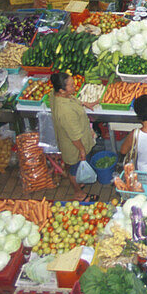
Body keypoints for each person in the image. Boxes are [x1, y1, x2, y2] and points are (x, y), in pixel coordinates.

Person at [50, 71, 98, 202]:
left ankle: (80, 182)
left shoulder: (57, 95)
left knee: (75, 168)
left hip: (72, 138)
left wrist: (83, 103)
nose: (75, 87)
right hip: (74, 146)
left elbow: (71, 100)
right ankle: (78, 193)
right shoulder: (65, 111)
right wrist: (82, 150)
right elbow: (74, 136)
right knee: (74, 170)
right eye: (71, 86)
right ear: (61, 90)